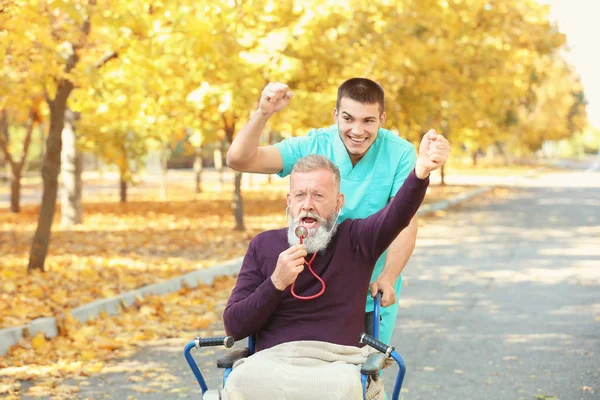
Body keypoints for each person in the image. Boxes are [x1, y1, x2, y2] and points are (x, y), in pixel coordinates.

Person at [222, 131, 449, 400]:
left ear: (339, 203)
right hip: (272, 359)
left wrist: (420, 171)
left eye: (318, 195)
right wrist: (276, 282)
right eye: (300, 195)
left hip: (336, 363)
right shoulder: (263, 245)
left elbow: (397, 213)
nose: (308, 205)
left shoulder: (357, 239)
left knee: (338, 389)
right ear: (289, 201)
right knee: (239, 382)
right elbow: (234, 327)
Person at [226, 78, 432, 345]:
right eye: (348, 119)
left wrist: (388, 277)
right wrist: (264, 113)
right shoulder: (312, 146)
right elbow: (239, 159)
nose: (357, 130)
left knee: (365, 372)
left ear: (382, 119)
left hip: (368, 286)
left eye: (368, 121)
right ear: (335, 115)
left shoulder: (399, 153)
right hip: (308, 281)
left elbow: (403, 220)